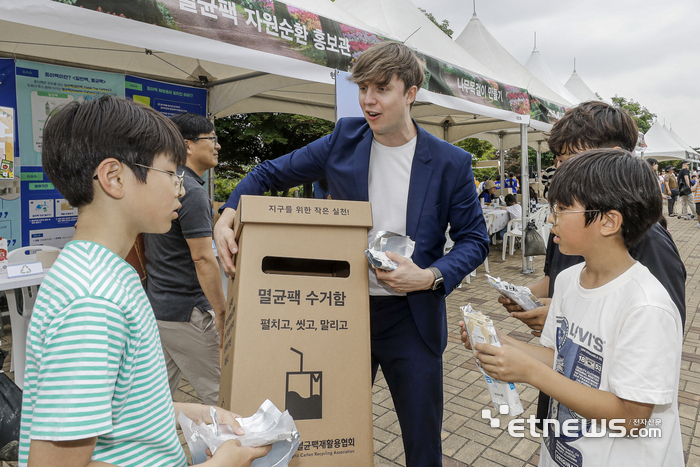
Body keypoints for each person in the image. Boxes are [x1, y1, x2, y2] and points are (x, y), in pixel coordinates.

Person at [213, 41, 489, 467]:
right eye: (363, 88)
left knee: (422, 440)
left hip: (412, 319)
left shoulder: (450, 162)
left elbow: (474, 238)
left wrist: (430, 276)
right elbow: (267, 173)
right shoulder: (345, 138)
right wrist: (230, 211)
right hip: (340, 311)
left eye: (381, 88)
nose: (368, 99)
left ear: (410, 93)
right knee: (324, 428)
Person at [19, 96, 270, 467]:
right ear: (114, 178)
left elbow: (120, 405)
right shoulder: (92, 301)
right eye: (171, 174)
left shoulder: (110, 272)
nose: (180, 189)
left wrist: (194, 412)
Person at [462, 149, 683, 467]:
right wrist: (500, 343)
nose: (551, 218)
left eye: (563, 208)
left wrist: (530, 372)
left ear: (608, 221)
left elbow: (633, 418)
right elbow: (563, 358)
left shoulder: (646, 306)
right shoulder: (567, 281)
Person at [495, 100, 687, 427]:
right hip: (566, 398)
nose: (563, 171)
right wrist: (528, 300)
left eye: (571, 160)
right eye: (559, 162)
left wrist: (568, 320)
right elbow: (554, 281)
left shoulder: (649, 244)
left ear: (610, 157)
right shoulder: (571, 232)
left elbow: (658, 342)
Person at [144, 113, 226, 406]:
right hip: (187, 313)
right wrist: (221, 311)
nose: (217, 146)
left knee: (155, 401)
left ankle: (140, 449)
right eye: (212, 139)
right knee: (223, 395)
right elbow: (203, 258)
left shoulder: (164, 182)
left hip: (160, 308)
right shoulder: (190, 191)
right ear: (188, 145)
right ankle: (227, 452)